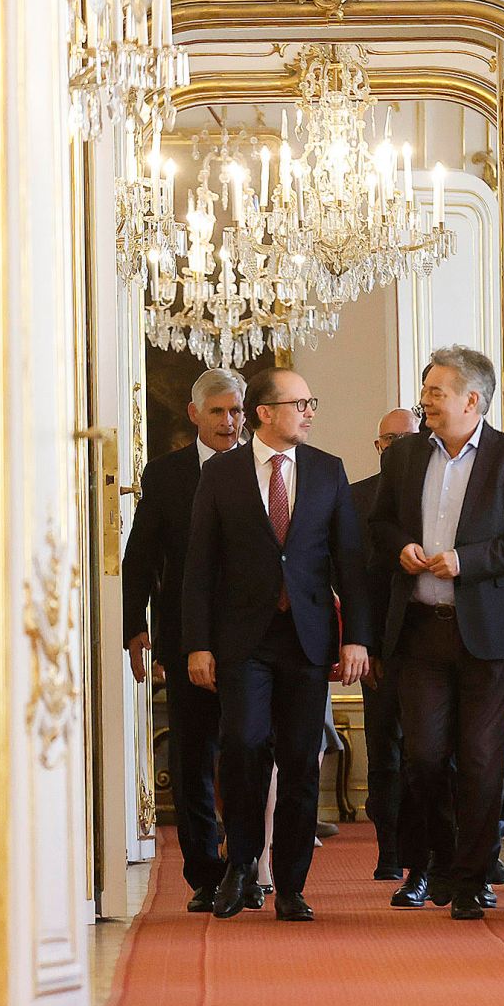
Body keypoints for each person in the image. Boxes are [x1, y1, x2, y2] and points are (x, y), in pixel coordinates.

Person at [371, 346, 504, 919]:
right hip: (419, 635)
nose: (426, 401)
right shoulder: (405, 456)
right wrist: (400, 549)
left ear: (471, 400)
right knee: (425, 759)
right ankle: (432, 862)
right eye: (426, 390)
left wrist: (477, 570)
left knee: (482, 762)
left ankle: (470, 878)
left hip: (488, 638)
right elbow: (378, 526)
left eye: (436, 392)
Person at [183, 367, 370, 922]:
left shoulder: (327, 471)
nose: (310, 412)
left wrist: (356, 637)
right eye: (300, 403)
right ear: (265, 412)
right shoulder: (221, 475)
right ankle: (241, 864)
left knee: (299, 762)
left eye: (312, 402)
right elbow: (200, 567)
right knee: (242, 744)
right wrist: (198, 643)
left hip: (307, 641)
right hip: (243, 640)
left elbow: (350, 563)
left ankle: (290, 883)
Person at [121, 367, 245, 912]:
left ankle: (247, 865)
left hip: (250, 638)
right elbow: (141, 557)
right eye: (218, 411)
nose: (229, 421)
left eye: (237, 411)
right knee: (194, 754)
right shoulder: (167, 476)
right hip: (184, 635)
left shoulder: (263, 470)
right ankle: (205, 873)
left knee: (247, 751)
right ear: (195, 415)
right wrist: (133, 625)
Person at [350, 406, 421, 880]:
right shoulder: (355, 499)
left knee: (431, 753)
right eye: (385, 441)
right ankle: (389, 850)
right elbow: (353, 579)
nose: (392, 449)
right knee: (384, 751)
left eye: (403, 440)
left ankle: (435, 853)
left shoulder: (434, 493)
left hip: (429, 642)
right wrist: (364, 644)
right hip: (378, 646)